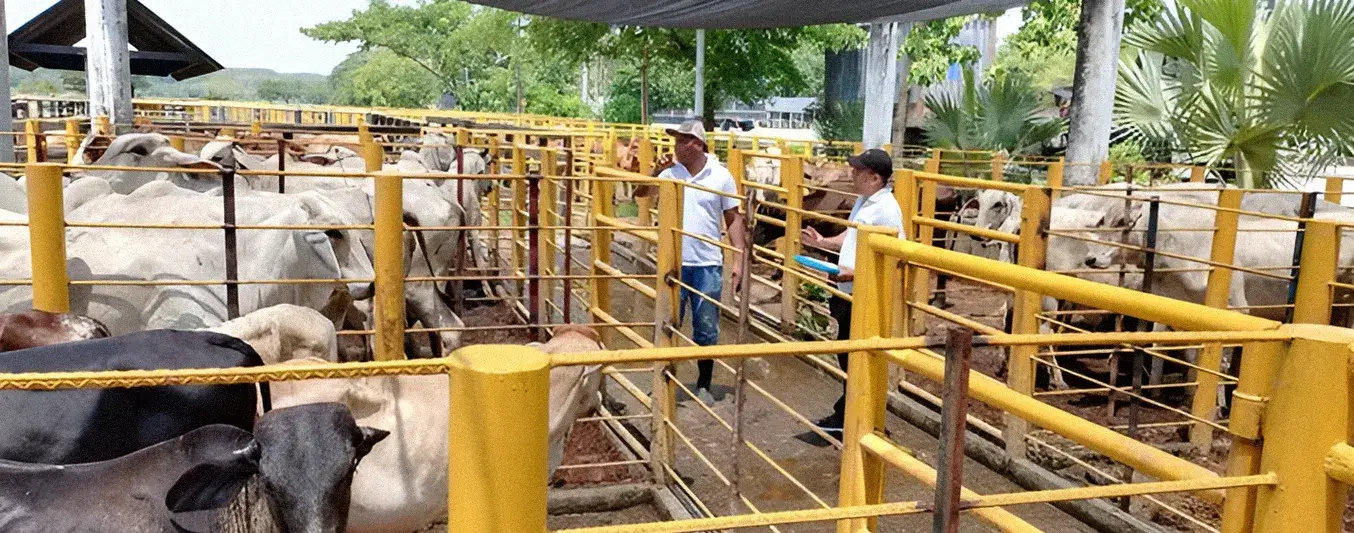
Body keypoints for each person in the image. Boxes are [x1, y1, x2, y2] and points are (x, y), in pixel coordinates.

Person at [639, 120, 746, 405]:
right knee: (668, 322)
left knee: (706, 326)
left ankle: (704, 383)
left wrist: (739, 258)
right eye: (676, 139)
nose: (676, 145)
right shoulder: (669, 174)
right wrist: (655, 171)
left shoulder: (721, 177)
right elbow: (641, 193)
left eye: (682, 140)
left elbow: (733, 219)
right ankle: (664, 381)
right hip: (672, 261)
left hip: (707, 262)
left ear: (698, 144)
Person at [800, 148, 903, 436]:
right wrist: (824, 242)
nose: (852, 174)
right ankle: (850, 416)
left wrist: (855, 274)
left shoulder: (887, 209)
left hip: (865, 294)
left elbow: (896, 255)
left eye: (858, 171)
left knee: (856, 357)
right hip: (848, 289)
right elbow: (851, 236)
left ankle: (857, 419)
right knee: (848, 354)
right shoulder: (864, 202)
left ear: (874, 177)